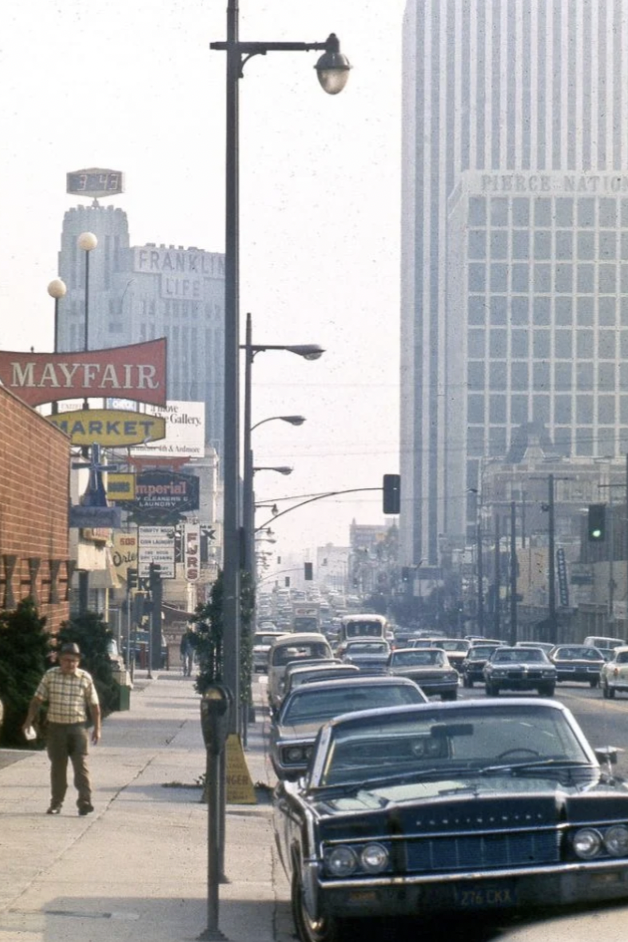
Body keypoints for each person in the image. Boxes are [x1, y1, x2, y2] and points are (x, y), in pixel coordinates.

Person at [22, 642, 101, 816]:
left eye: (74, 661)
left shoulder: (85, 678)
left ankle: (85, 801)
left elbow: (94, 705)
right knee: (58, 767)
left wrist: (97, 728)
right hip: (56, 729)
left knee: (81, 766)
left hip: (78, 729)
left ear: (78, 661)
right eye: (66, 660)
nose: (70, 664)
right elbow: (37, 700)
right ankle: (56, 803)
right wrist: (28, 721)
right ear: (59, 659)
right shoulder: (51, 675)